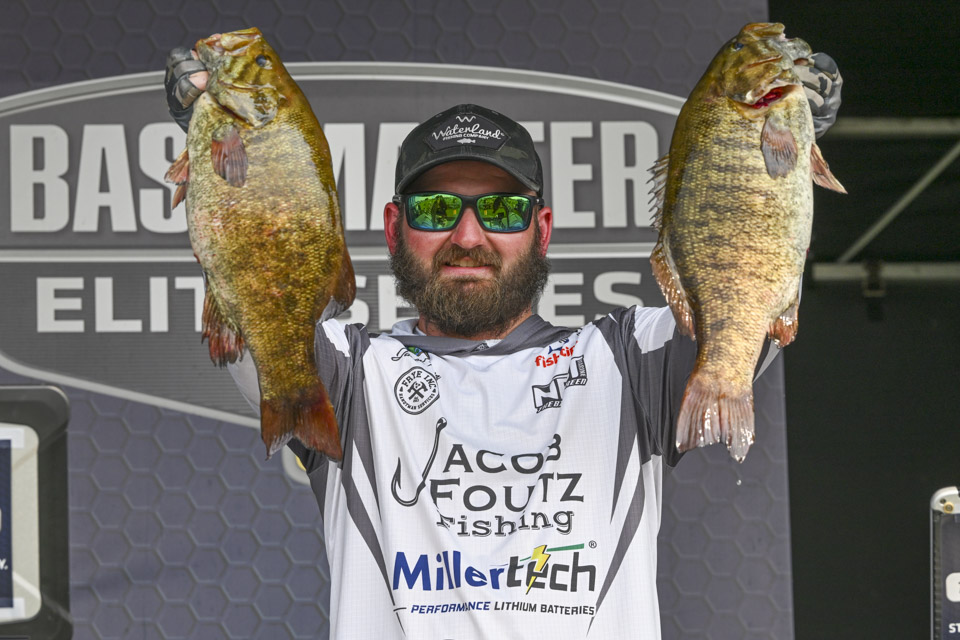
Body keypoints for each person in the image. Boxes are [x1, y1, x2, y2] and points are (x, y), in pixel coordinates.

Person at [165, 47, 841, 639]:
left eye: (502, 209)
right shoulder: (346, 373)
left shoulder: (629, 361)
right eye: (436, 209)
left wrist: (774, 149)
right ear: (394, 228)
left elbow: (742, 303)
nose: (468, 237)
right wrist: (226, 144)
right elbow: (254, 286)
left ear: (541, 228)